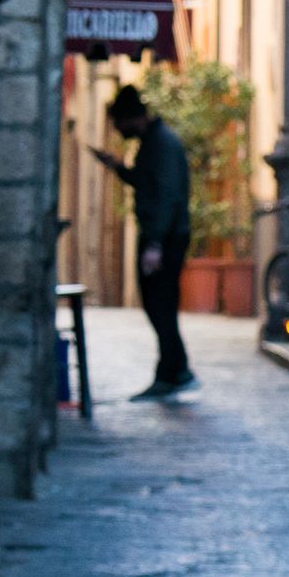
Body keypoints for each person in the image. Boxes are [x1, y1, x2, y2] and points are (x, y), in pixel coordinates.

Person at [91, 84, 195, 400]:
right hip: (164, 236)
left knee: (159, 304)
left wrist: (154, 245)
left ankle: (174, 372)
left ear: (131, 119)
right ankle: (174, 370)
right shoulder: (153, 143)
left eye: (118, 125)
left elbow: (165, 197)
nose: (118, 131)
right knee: (158, 305)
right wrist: (120, 168)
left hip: (166, 238)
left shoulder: (160, 145)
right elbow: (148, 183)